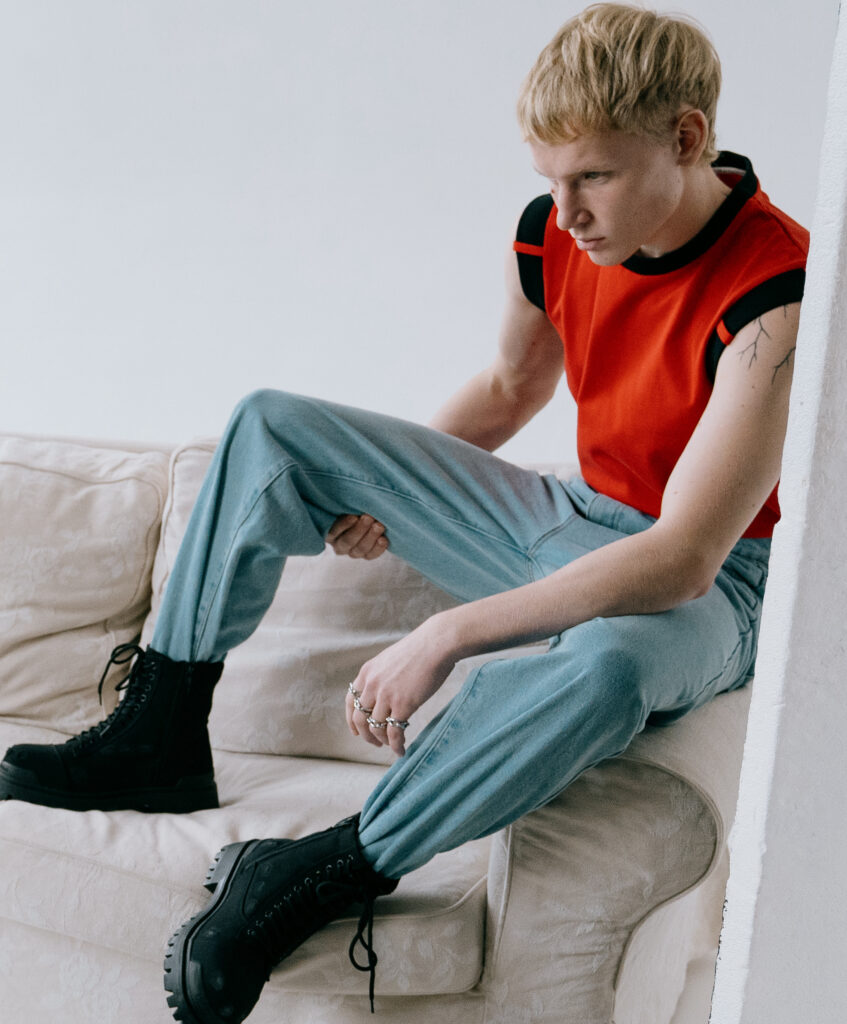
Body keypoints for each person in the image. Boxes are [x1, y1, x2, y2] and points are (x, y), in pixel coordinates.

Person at [0, 4, 808, 1022]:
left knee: (609, 665)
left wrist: (447, 632)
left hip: (712, 586)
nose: (566, 211)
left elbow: (683, 556)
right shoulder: (550, 232)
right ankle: (157, 734)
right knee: (273, 424)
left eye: (593, 177)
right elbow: (510, 387)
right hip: (570, 515)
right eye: (549, 179)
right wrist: (387, 489)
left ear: (685, 138)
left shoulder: (779, 289)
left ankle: (326, 866)